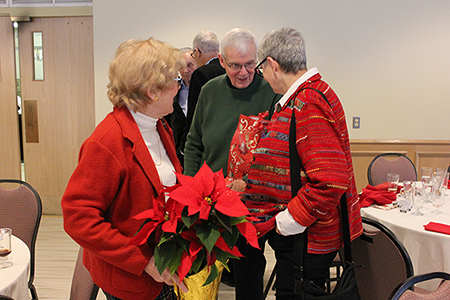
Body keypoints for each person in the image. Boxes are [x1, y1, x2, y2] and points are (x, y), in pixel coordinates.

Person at [233, 27, 363, 300]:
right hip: (305, 234)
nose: (263, 76)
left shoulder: (308, 101)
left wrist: (288, 220)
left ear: (273, 65)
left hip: (308, 236)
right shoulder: (309, 94)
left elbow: (331, 179)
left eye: (260, 68)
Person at [61, 38, 188, 300]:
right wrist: (144, 261)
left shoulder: (158, 126)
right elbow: (78, 218)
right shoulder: (107, 141)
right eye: (175, 79)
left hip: (161, 270)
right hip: (131, 281)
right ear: (153, 90)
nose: (180, 85)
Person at [183, 28, 280, 178]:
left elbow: (277, 155)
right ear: (222, 61)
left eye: (250, 64)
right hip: (210, 192)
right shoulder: (209, 91)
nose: (243, 72)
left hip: (251, 194)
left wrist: (248, 184)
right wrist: (191, 184)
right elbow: (194, 143)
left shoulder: (272, 93)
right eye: (235, 65)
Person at [186, 30, 225, 129]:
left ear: (197, 52)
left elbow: (194, 113)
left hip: (208, 131)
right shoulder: (229, 69)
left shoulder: (200, 74)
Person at [168, 47, 198, 166]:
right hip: (178, 148)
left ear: (197, 64)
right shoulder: (173, 90)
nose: (186, 70)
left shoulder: (203, 89)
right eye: (182, 67)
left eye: (190, 65)